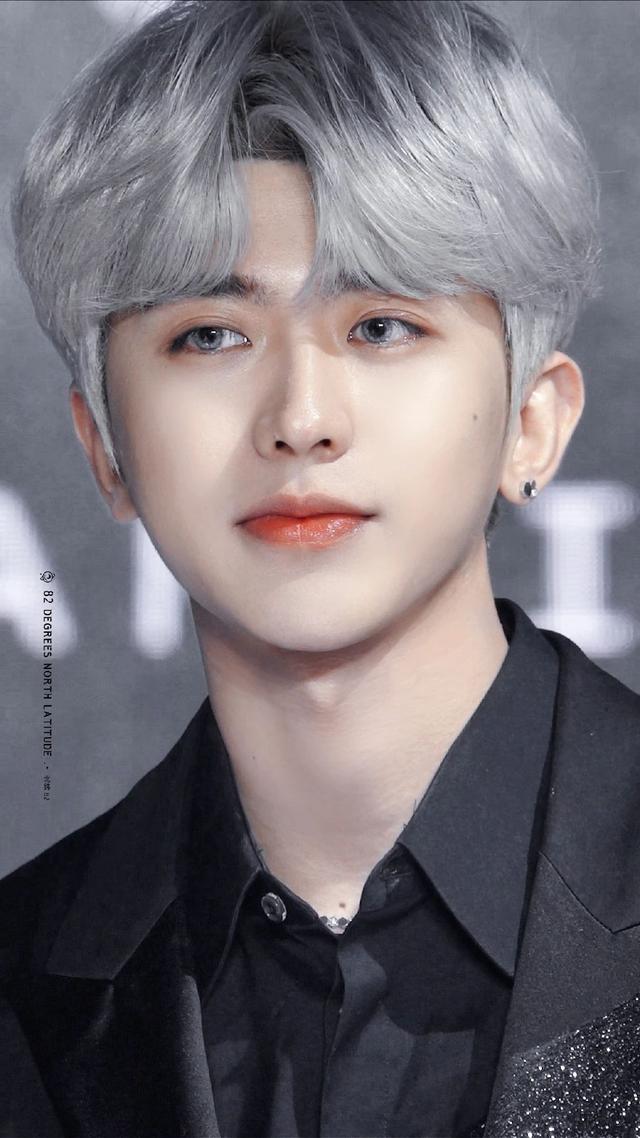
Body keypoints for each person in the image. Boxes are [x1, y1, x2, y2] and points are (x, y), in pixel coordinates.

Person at [2, 1, 638, 1135]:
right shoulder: (22, 982)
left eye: (381, 325)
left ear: (532, 423)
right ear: (105, 448)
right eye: (210, 334)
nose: (300, 418)